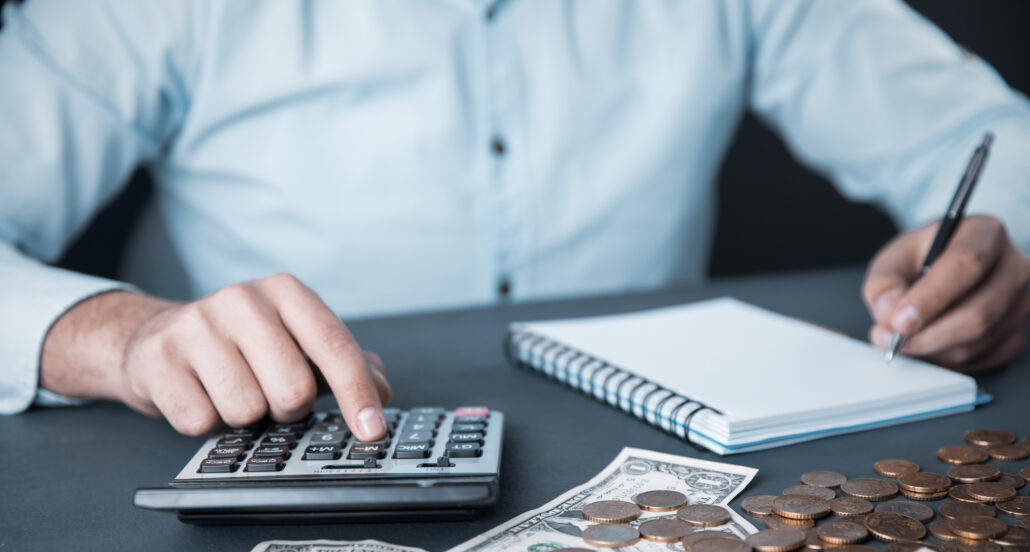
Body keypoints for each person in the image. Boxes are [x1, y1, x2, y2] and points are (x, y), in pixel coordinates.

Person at [1, 0, 1028, 440]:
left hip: (658, 469)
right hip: (251, 474)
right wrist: (119, 337)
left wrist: (1002, 233)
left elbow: (985, 131)